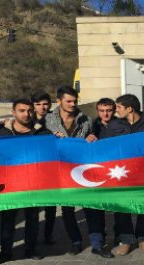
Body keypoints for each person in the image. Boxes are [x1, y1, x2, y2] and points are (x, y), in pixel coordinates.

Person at [0, 99, 51, 263]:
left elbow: (53, 154)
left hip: (33, 185)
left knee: (32, 218)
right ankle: (6, 252)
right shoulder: (0, 135)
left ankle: (30, 249)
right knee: (8, 219)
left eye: (29, 111)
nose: (26, 114)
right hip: (10, 186)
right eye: (22, 110)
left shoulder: (42, 134)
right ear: (13, 112)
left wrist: (58, 140)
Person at [105, 94, 144, 255]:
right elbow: (104, 147)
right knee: (122, 207)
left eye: (119, 107)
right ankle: (126, 240)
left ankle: (143, 238)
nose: (116, 111)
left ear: (129, 109)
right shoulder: (114, 126)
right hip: (121, 173)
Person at [43, 86, 92, 253]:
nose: (73, 104)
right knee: (67, 207)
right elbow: (37, 139)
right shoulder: (47, 119)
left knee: (89, 205)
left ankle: (96, 240)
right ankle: (76, 241)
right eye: (68, 101)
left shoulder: (86, 120)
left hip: (81, 168)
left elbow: (93, 141)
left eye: (75, 101)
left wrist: (93, 137)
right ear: (58, 101)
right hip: (58, 170)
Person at [83, 98, 118, 259]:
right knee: (94, 211)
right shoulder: (89, 126)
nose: (106, 114)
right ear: (98, 111)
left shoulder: (121, 126)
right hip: (94, 175)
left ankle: (121, 237)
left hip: (116, 174)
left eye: (109, 110)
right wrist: (85, 142)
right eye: (102, 110)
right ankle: (97, 244)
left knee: (119, 208)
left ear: (114, 110)